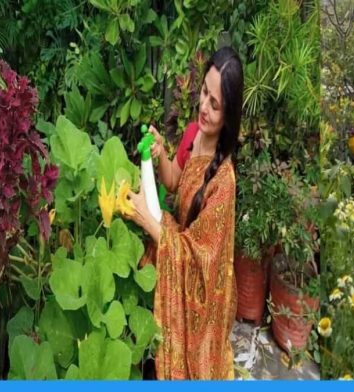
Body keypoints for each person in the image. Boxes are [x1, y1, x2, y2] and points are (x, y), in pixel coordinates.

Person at [125, 46, 243, 380]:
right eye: (204, 92)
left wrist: (148, 220)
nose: (204, 107)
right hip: (173, 250)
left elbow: (198, 260)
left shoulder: (224, 182)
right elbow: (174, 181)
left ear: (229, 115)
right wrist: (162, 153)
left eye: (215, 104)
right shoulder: (193, 133)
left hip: (200, 290)